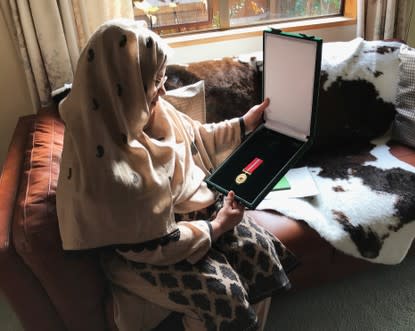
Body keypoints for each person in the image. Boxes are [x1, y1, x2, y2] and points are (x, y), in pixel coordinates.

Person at [56, 18, 297, 331]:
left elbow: (196, 136)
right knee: (225, 296)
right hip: (146, 249)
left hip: (189, 214)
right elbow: (158, 245)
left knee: (258, 250)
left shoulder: (143, 108)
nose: (164, 89)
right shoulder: (107, 169)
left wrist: (244, 124)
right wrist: (219, 225)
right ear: (126, 86)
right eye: (156, 81)